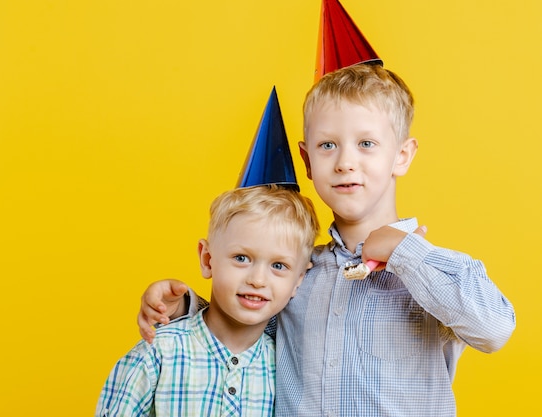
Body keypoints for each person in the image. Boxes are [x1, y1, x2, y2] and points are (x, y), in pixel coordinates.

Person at [136, 63, 516, 417]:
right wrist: (185, 310)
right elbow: (247, 327)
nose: (344, 162)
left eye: (366, 144)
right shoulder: (295, 271)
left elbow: (495, 329)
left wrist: (406, 253)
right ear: (307, 161)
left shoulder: (432, 267)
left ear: (401, 156)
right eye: (327, 145)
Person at [96, 184, 320, 417]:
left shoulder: (286, 371)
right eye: (241, 258)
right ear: (207, 259)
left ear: (299, 279)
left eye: (278, 266)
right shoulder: (159, 354)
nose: (257, 280)